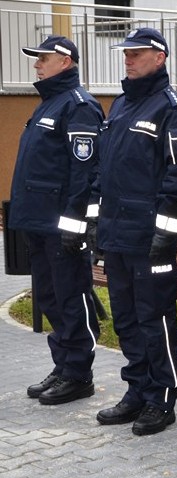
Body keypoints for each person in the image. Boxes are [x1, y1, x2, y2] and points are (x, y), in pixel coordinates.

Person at [89, 28, 177, 435]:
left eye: (137, 53)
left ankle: (161, 397)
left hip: (150, 242)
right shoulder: (120, 106)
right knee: (127, 319)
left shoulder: (171, 110)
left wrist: (165, 235)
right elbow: (104, 169)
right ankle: (137, 389)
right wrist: (96, 220)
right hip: (117, 236)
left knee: (155, 319)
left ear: (160, 57)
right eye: (126, 53)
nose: (129, 59)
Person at [9, 35, 103, 405]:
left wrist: (76, 224)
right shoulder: (48, 105)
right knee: (49, 297)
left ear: (65, 62)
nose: (37, 65)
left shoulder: (79, 106)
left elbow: (84, 174)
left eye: (43, 58)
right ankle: (63, 366)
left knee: (70, 298)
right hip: (37, 223)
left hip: (61, 228)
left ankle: (79, 373)